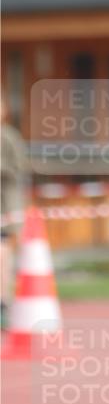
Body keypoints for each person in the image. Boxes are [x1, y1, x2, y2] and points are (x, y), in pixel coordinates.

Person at [1, 95, 28, 329]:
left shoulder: (9, 136)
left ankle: (3, 305)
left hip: (5, 209)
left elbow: (20, 167)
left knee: (3, 256)